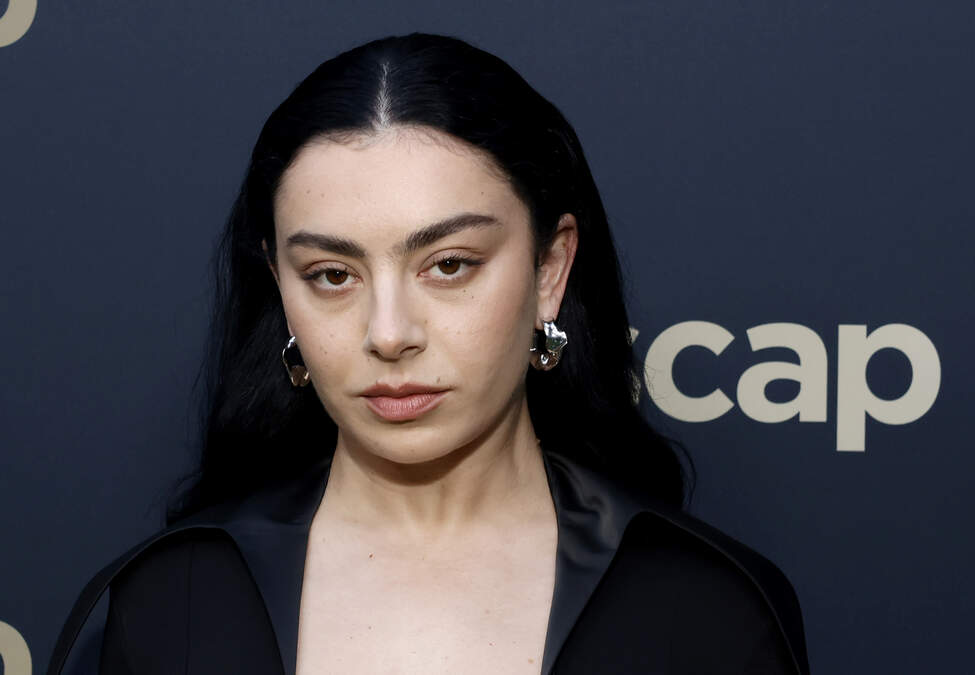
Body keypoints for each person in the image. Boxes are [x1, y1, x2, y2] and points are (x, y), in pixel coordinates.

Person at [48, 32, 809, 675]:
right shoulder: (166, 605)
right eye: (332, 275)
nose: (389, 333)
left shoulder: (706, 609)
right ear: (280, 285)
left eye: (448, 264)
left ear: (550, 270)